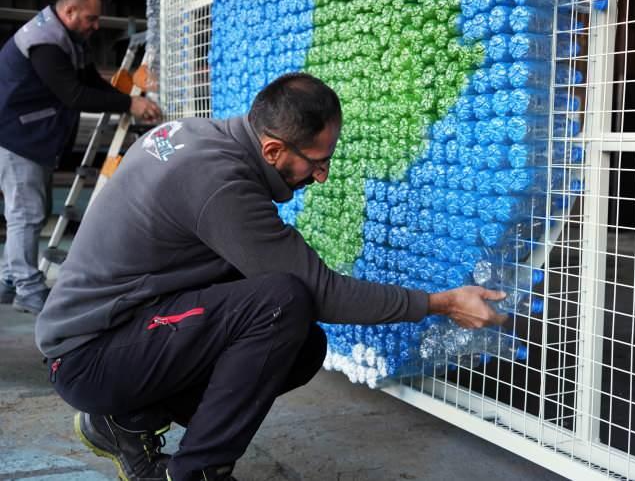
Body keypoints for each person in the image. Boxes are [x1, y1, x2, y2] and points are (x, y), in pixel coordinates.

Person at [35, 73, 507, 481]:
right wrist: (441, 303)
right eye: (316, 161)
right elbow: (321, 293)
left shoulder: (205, 137)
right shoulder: (218, 181)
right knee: (283, 302)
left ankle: (126, 420)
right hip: (90, 356)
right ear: (273, 148)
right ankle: (199, 470)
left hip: (123, 334)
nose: (320, 176)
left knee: (302, 347)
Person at [0, 0, 161, 315]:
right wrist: (128, 104)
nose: (96, 25)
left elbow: (90, 82)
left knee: (29, 212)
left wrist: (126, 101)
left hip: (32, 136)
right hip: (17, 137)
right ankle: (28, 289)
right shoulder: (45, 43)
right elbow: (73, 95)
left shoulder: (69, 39)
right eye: (91, 18)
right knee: (26, 214)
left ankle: (9, 279)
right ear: (69, 12)